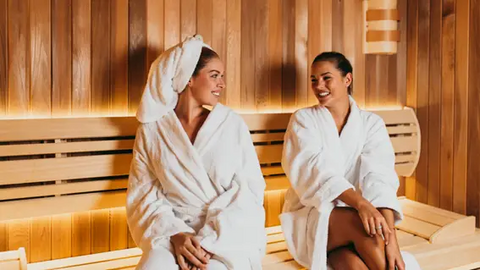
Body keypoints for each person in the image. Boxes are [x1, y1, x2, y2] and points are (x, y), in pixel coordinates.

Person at [126, 35, 266, 270]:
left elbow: (249, 191)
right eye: (214, 76)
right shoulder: (153, 130)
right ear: (188, 78)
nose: (221, 84)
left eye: (222, 77)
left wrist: (207, 242)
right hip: (173, 233)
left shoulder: (231, 125)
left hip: (226, 235)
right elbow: (143, 194)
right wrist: (176, 234)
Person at [280, 52, 421, 270]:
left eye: (327, 78)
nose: (319, 86)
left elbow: (380, 180)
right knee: (369, 233)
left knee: (355, 266)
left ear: (347, 79)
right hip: (313, 215)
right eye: (314, 79)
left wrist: (392, 242)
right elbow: (314, 171)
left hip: (360, 219)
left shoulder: (371, 124)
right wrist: (361, 204)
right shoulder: (303, 120)